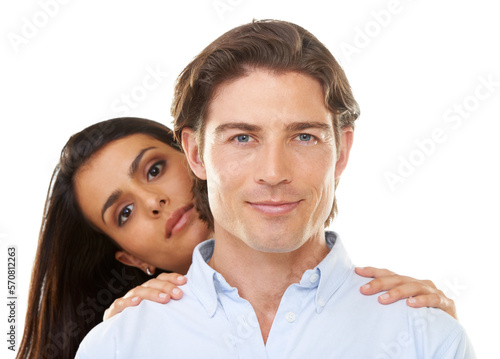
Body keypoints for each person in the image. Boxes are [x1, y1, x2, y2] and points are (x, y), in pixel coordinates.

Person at [75, 20, 475, 358]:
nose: (273, 173)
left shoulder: (428, 338)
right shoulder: (118, 345)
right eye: (243, 138)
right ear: (195, 154)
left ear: (342, 150)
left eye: (303, 137)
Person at [17, 117, 455, 359]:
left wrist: (429, 331)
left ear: (197, 156)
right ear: (132, 260)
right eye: (125, 212)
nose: (153, 201)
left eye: (154, 170)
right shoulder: (123, 339)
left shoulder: (399, 316)